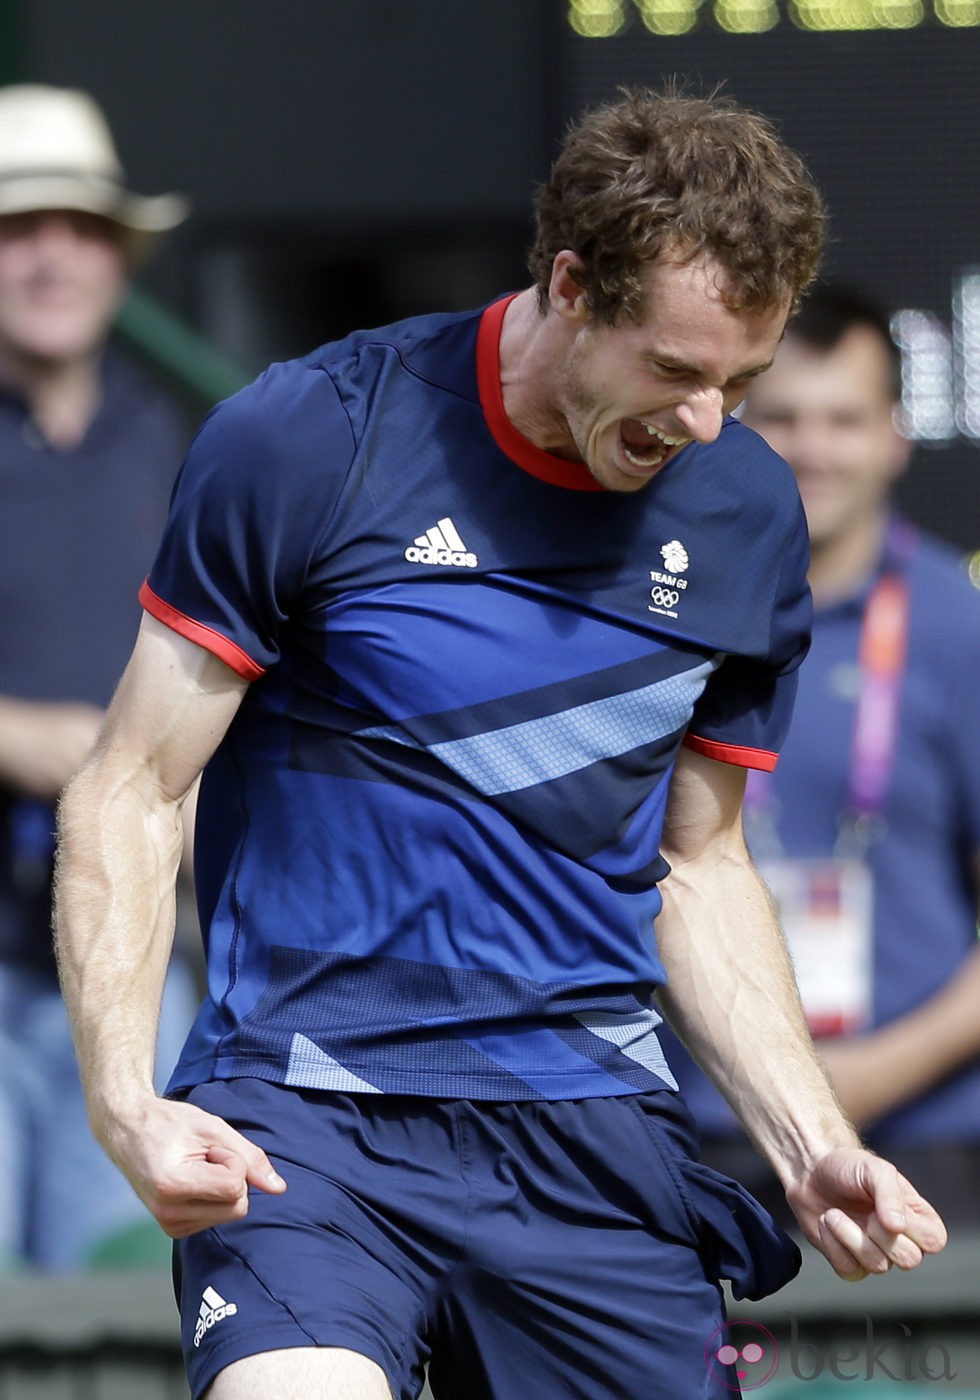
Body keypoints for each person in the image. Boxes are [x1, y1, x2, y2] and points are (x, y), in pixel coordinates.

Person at [55, 88, 946, 1400]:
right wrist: (125, 1102)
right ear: (572, 286)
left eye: (741, 383)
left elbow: (699, 871)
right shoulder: (311, 438)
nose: (707, 422)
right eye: (677, 370)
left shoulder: (749, 512)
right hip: (313, 1118)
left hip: (591, 1136)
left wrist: (809, 1136)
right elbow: (130, 790)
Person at [663, 284, 980, 1228]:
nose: (813, 448)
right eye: (785, 418)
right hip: (693, 1122)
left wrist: (867, 1077)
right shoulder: (663, 608)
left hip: (926, 1135)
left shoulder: (958, 625)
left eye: (844, 419)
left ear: (895, 436)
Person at [0, 83, 198, 1271]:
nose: (51, 257)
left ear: (121, 253)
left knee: (125, 1316)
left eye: (79, 227)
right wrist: (22, 735)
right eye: (19, 228)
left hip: (133, 954)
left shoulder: (184, 441)